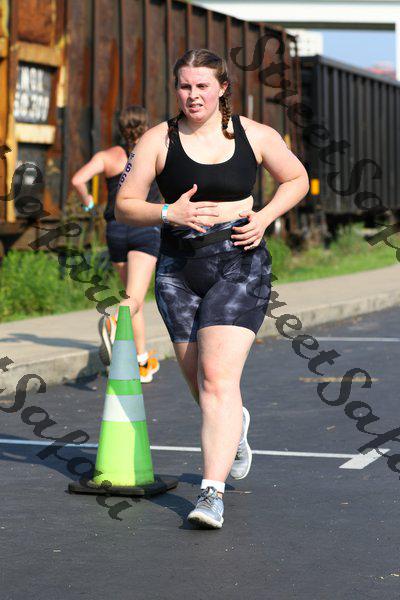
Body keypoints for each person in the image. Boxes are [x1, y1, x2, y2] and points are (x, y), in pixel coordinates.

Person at [115, 49, 309, 529]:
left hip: (239, 262)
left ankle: (211, 494)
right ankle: (234, 426)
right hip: (179, 270)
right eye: (185, 86)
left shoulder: (255, 134)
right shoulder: (158, 139)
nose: (193, 95)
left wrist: (265, 216)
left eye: (202, 85)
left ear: (222, 88)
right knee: (200, 384)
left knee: (218, 378)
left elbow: (297, 178)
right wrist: (168, 212)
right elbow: (124, 204)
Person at [71, 106, 161, 383]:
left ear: (120, 128)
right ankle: (112, 324)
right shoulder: (153, 153)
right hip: (145, 227)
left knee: (132, 298)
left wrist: (88, 202)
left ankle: (141, 361)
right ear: (146, 126)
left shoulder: (107, 156)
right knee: (134, 299)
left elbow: (77, 179)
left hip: (116, 230)